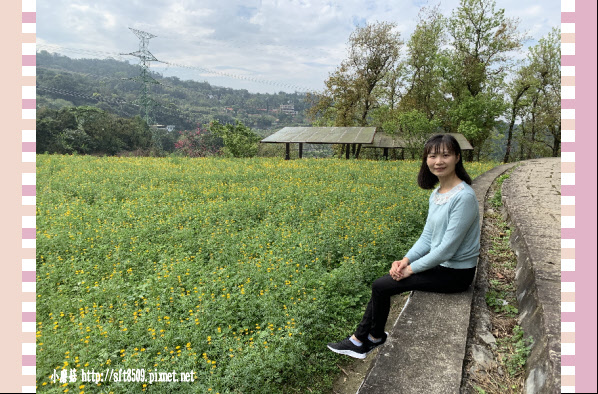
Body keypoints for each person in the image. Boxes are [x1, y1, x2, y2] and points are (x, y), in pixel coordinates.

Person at [327, 134, 480, 359]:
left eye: (445, 155)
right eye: (433, 156)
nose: (439, 161)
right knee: (382, 284)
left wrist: (410, 270)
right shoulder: (437, 194)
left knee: (381, 286)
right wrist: (405, 260)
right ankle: (364, 339)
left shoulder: (464, 197)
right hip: (443, 266)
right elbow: (428, 237)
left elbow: (446, 249)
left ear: (457, 157)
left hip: (456, 274)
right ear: (426, 160)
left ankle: (367, 339)